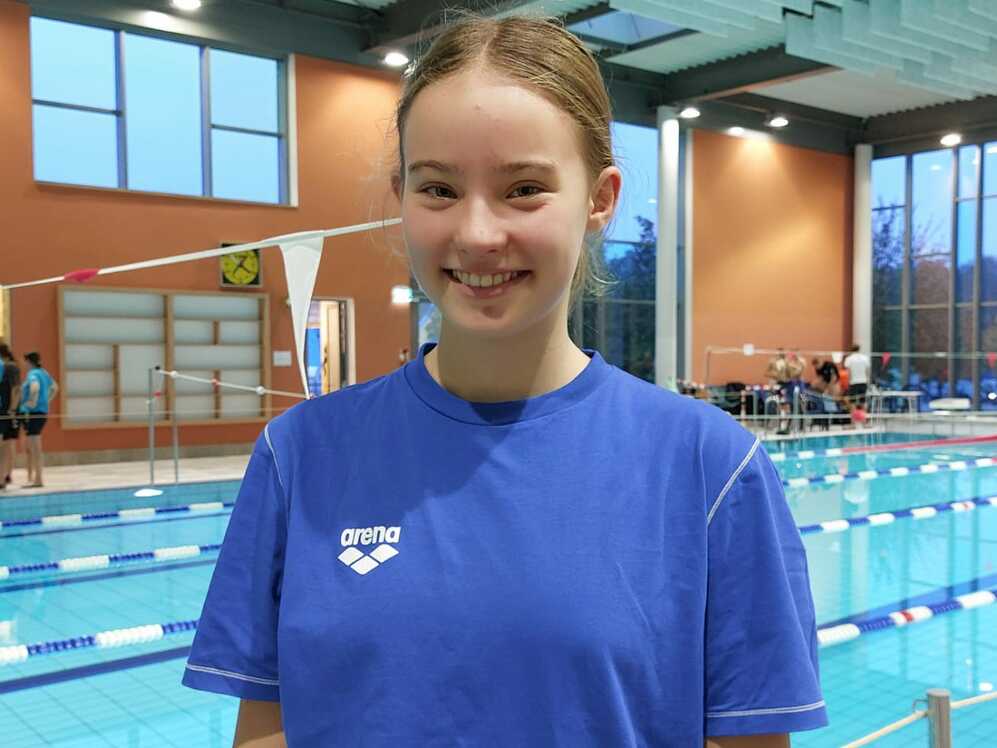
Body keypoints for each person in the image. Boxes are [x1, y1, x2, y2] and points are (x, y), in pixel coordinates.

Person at [181, 15, 827, 747]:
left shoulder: (711, 467)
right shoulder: (299, 455)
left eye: (523, 188)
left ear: (599, 199)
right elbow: (266, 732)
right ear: (400, 195)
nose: (478, 234)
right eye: (437, 189)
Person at [18, 351, 57, 488]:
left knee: (35, 448)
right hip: (42, 412)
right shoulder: (44, 373)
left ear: (29, 361)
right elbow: (54, 388)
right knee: (33, 447)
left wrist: (32, 403)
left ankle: (38, 479)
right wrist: (46, 402)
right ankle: (34, 477)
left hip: (33, 414)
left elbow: (34, 388)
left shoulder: (33, 374)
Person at [0, 343, 21, 490]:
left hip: (7, 411)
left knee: (7, 445)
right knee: (7, 444)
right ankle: (6, 474)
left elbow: (16, 389)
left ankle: (5, 475)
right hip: (6, 410)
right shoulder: (7, 367)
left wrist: (12, 409)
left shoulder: (10, 367)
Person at [843, 343, 871, 410]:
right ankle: (864, 418)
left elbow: (848, 372)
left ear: (851, 350)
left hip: (853, 382)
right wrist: (867, 381)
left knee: (852, 402)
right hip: (863, 382)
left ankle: (854, 419)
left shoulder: (849, 359)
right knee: (863, 401)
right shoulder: (865, 358)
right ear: (859, 349)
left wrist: (848, 382)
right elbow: (867, 371)